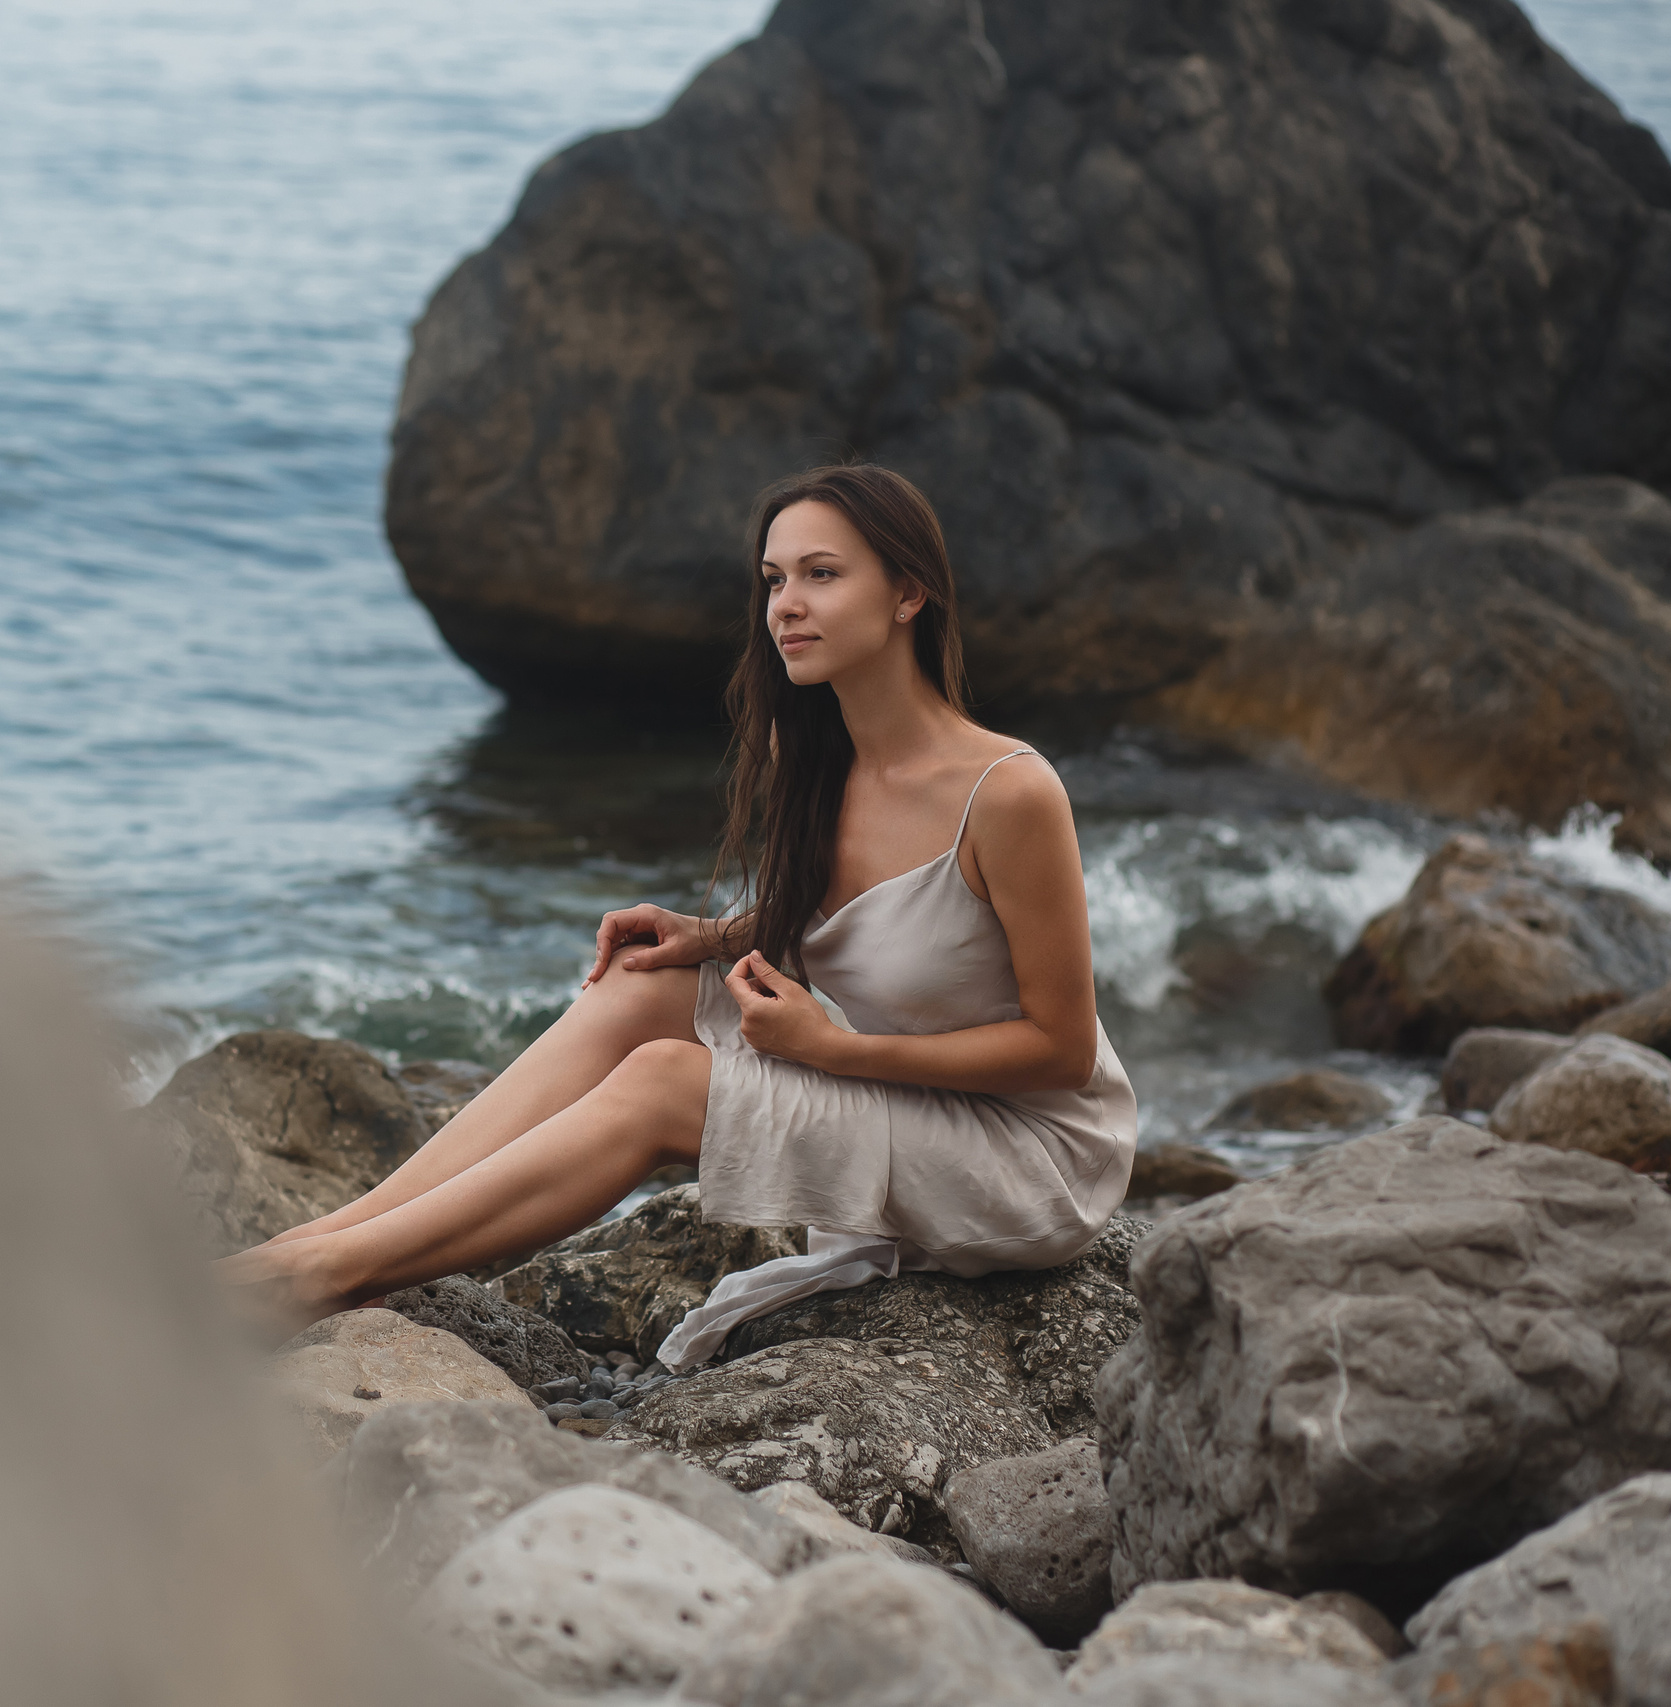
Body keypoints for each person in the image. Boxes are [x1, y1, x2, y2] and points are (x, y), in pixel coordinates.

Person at [217, 463, 1136, 1359]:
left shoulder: (1009, 793)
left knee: (665, 1080)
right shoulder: (812, 753)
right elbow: (862, 918)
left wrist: (837, 1051)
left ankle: (326, 1274)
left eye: (822, 574)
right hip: (910, 1095)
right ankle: (316, 1248)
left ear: (908, 595)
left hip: (1029, 1156)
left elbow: (1059, 1046)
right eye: (775, 579)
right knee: (639, 984)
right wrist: (715, 935)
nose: (786, 604)